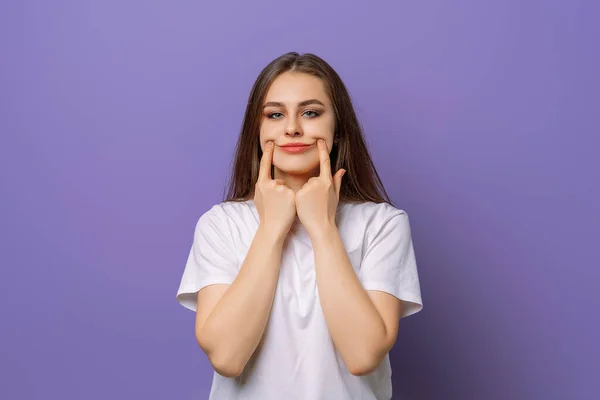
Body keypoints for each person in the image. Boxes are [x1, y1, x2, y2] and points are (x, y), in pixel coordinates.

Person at [176, 52, 423, 400]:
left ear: (337, 131)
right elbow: (227, 358)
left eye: (310, 112)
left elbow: (364, 355)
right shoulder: (221, 225)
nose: (292, 127)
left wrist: (322, 227)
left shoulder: (382, 225)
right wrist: (271, 230)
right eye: (275, 114)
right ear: (258, 132)